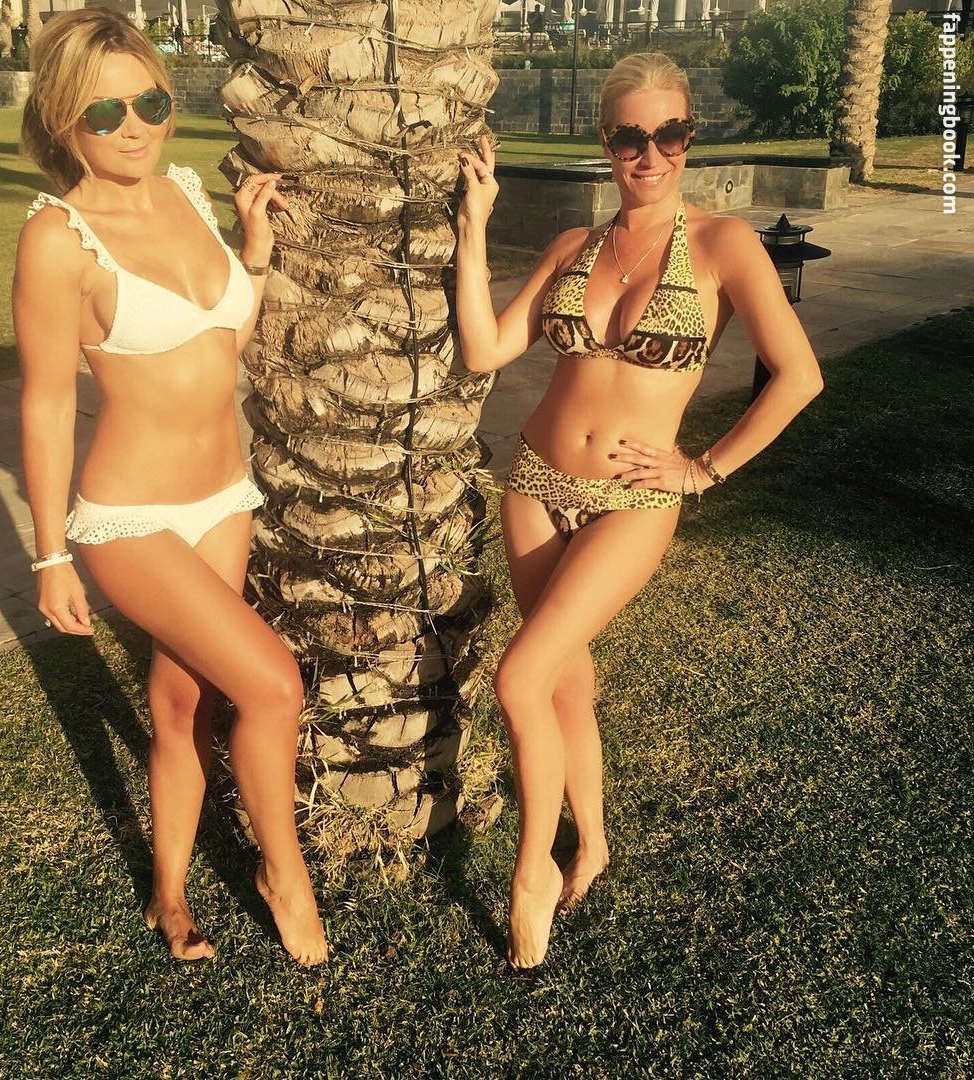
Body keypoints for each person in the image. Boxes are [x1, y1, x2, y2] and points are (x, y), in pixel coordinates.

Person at [455, 52, 823, 969]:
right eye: (630, 136)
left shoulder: (725, 245)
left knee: (518, 678)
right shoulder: (573, 247)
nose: (650, 153)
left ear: (690, 137)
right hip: (536, 482)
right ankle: (594, 841)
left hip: (635, 497)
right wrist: (474, 228)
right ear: (606, 141)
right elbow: (485, 350)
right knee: (561, 682)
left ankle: (532, 871)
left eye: (669, 134)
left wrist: (704, 469)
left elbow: (799, 376)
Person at [14, 8, 328, 966]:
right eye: (105, 112)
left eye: (149, 102)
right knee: (273, 685)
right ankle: (284, 876)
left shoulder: (186, 192)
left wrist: (253, 252)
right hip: (132, 517)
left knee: (183, 702)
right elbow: (43, 405)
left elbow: (225, 339)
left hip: (223, 497)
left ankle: (169, 894)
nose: (135, 127)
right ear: (64, 120)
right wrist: (51, 555)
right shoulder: (59, 239)